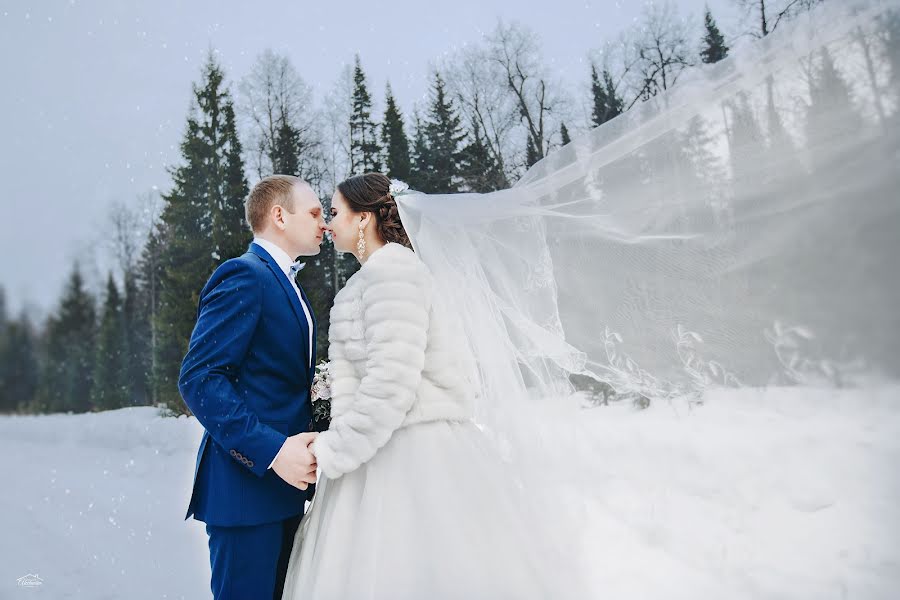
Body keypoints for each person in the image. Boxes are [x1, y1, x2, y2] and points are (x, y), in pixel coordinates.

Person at [179, 175, 327, 599]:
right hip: (246, 495)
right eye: (314, 212)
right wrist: (274, 451)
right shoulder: (243, 275)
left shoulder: (287, 285)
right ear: (279, 215)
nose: (324, 224)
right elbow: (200, 379)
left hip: (284, 493)